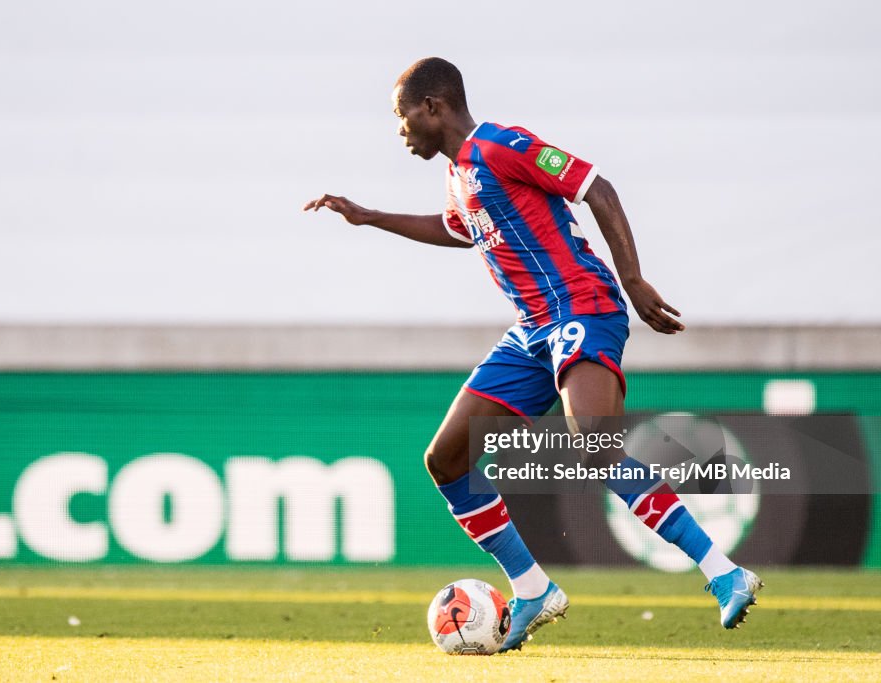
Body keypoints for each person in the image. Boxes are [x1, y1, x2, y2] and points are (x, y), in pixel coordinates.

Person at [303, 57, 762, 652]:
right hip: (530, 331)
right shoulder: (457, 176)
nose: (400, 129)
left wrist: (633, 280)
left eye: (402, 115)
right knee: (445, 460)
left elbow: (597, 187)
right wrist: (370, 217)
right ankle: (532, 589)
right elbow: (457, 228)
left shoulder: (502, 145)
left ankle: (724, 572)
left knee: (594, 446)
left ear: (434, 107)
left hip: (584, 307)